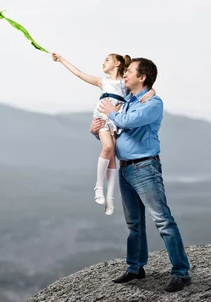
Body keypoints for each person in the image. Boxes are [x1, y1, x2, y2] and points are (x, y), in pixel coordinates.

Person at [91, 57, 191, 292]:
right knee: (134, 223)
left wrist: (113, 112)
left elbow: (129, 121)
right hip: (126, 167)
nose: (124, 75)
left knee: (163, 221)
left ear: (142, 77)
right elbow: (117, 131)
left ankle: (181, 272)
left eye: (129, 72)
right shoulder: (127, 102)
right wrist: (97, 131)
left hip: (145, 168)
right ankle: (135, 267)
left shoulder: (153, 103)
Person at [51, 52, 154, 215]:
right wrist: (62, 60)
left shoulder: (125, 84)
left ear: (118, 64)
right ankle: (98, 187)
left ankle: (110, 198)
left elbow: (143, 88)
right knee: (107, 147)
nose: (103, 63)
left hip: (115, 118)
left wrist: (151, 92)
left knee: (112, 153)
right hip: (102, 117)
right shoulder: (103, 82)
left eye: (107, 60)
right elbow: (79, 73)